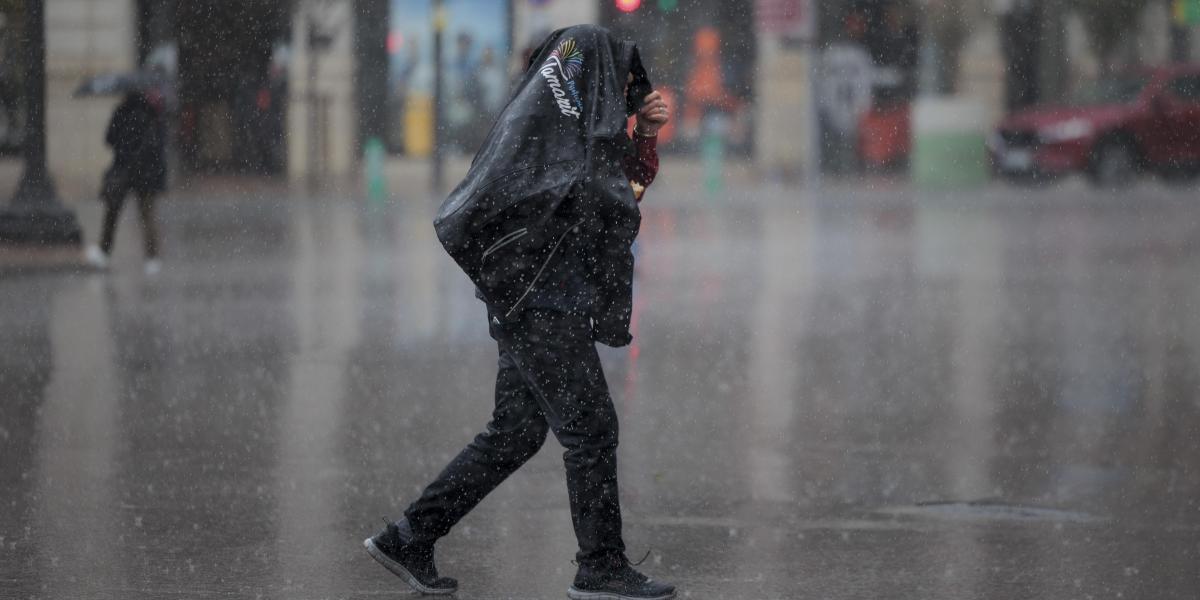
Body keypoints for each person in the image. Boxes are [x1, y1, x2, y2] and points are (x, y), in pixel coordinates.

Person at [363, 25, 674, 600]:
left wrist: (644, 134)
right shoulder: (545, 133)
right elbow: (611, 194)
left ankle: (409, 536)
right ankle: (600, 568)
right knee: (592, 428)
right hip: (540, 302)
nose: (627, 94)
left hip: (535, 299)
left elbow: (623, 188)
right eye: (623, 82)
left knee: (515, 434)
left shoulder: (562, 130)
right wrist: (635, 137)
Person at [84, 89, 168, 274]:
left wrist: (125, 146)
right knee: (147, 216)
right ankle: (152, 259)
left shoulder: (122, 112)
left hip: (123, 170)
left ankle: (104, 252)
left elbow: (109, 139)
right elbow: (159, 146)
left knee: (112, 213)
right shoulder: (151, 113)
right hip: (146, 173)